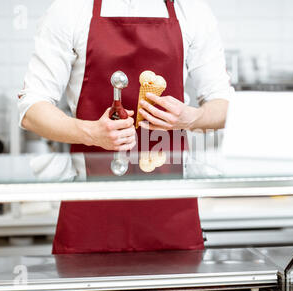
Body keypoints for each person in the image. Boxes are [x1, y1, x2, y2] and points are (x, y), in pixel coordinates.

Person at [18, 0, 232, 254]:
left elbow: (224, 106)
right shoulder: (71, 9)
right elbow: (32, 108)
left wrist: (191, 118)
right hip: (91, 209)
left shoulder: (192, 10)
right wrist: (91, 133)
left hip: (170, 210)